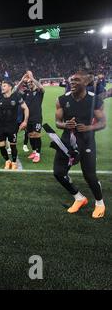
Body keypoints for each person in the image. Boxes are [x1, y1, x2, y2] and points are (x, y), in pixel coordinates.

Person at [53, 71, 106, 219]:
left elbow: (103, 123)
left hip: (86, 141)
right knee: (58, 172)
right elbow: (57, 122)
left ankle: (100, 203)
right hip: (67, 141)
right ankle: (79, 197)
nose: (73, 82)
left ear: (86, 82)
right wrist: (65, 125)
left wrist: (88, 128)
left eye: (77, 80)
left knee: (89, 175)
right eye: (71, 80)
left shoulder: (94, 100)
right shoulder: (62, 99)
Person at [0, 81, 29, 170]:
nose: (2, 87)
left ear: (10, 87)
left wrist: (25, 121)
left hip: (12, 126)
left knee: (13, 145)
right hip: (1, 126)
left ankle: (14, 162)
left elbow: (26, 108)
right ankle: (7, 161)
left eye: (4, 86)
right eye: (1, 86)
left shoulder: (16, 97)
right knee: (1, 146)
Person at [19, 71, 45, 163]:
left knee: (36, 135)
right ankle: (34, 151)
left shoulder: (39, 92)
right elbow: (16, 90)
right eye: (28, 83)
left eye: (31, 82)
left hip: (37, 117)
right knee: (30, 135)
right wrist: (22, 80)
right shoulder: (26, 93)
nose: (30, 84)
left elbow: (41, 87)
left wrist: (32, 77)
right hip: (27, 118)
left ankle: (38, 154)